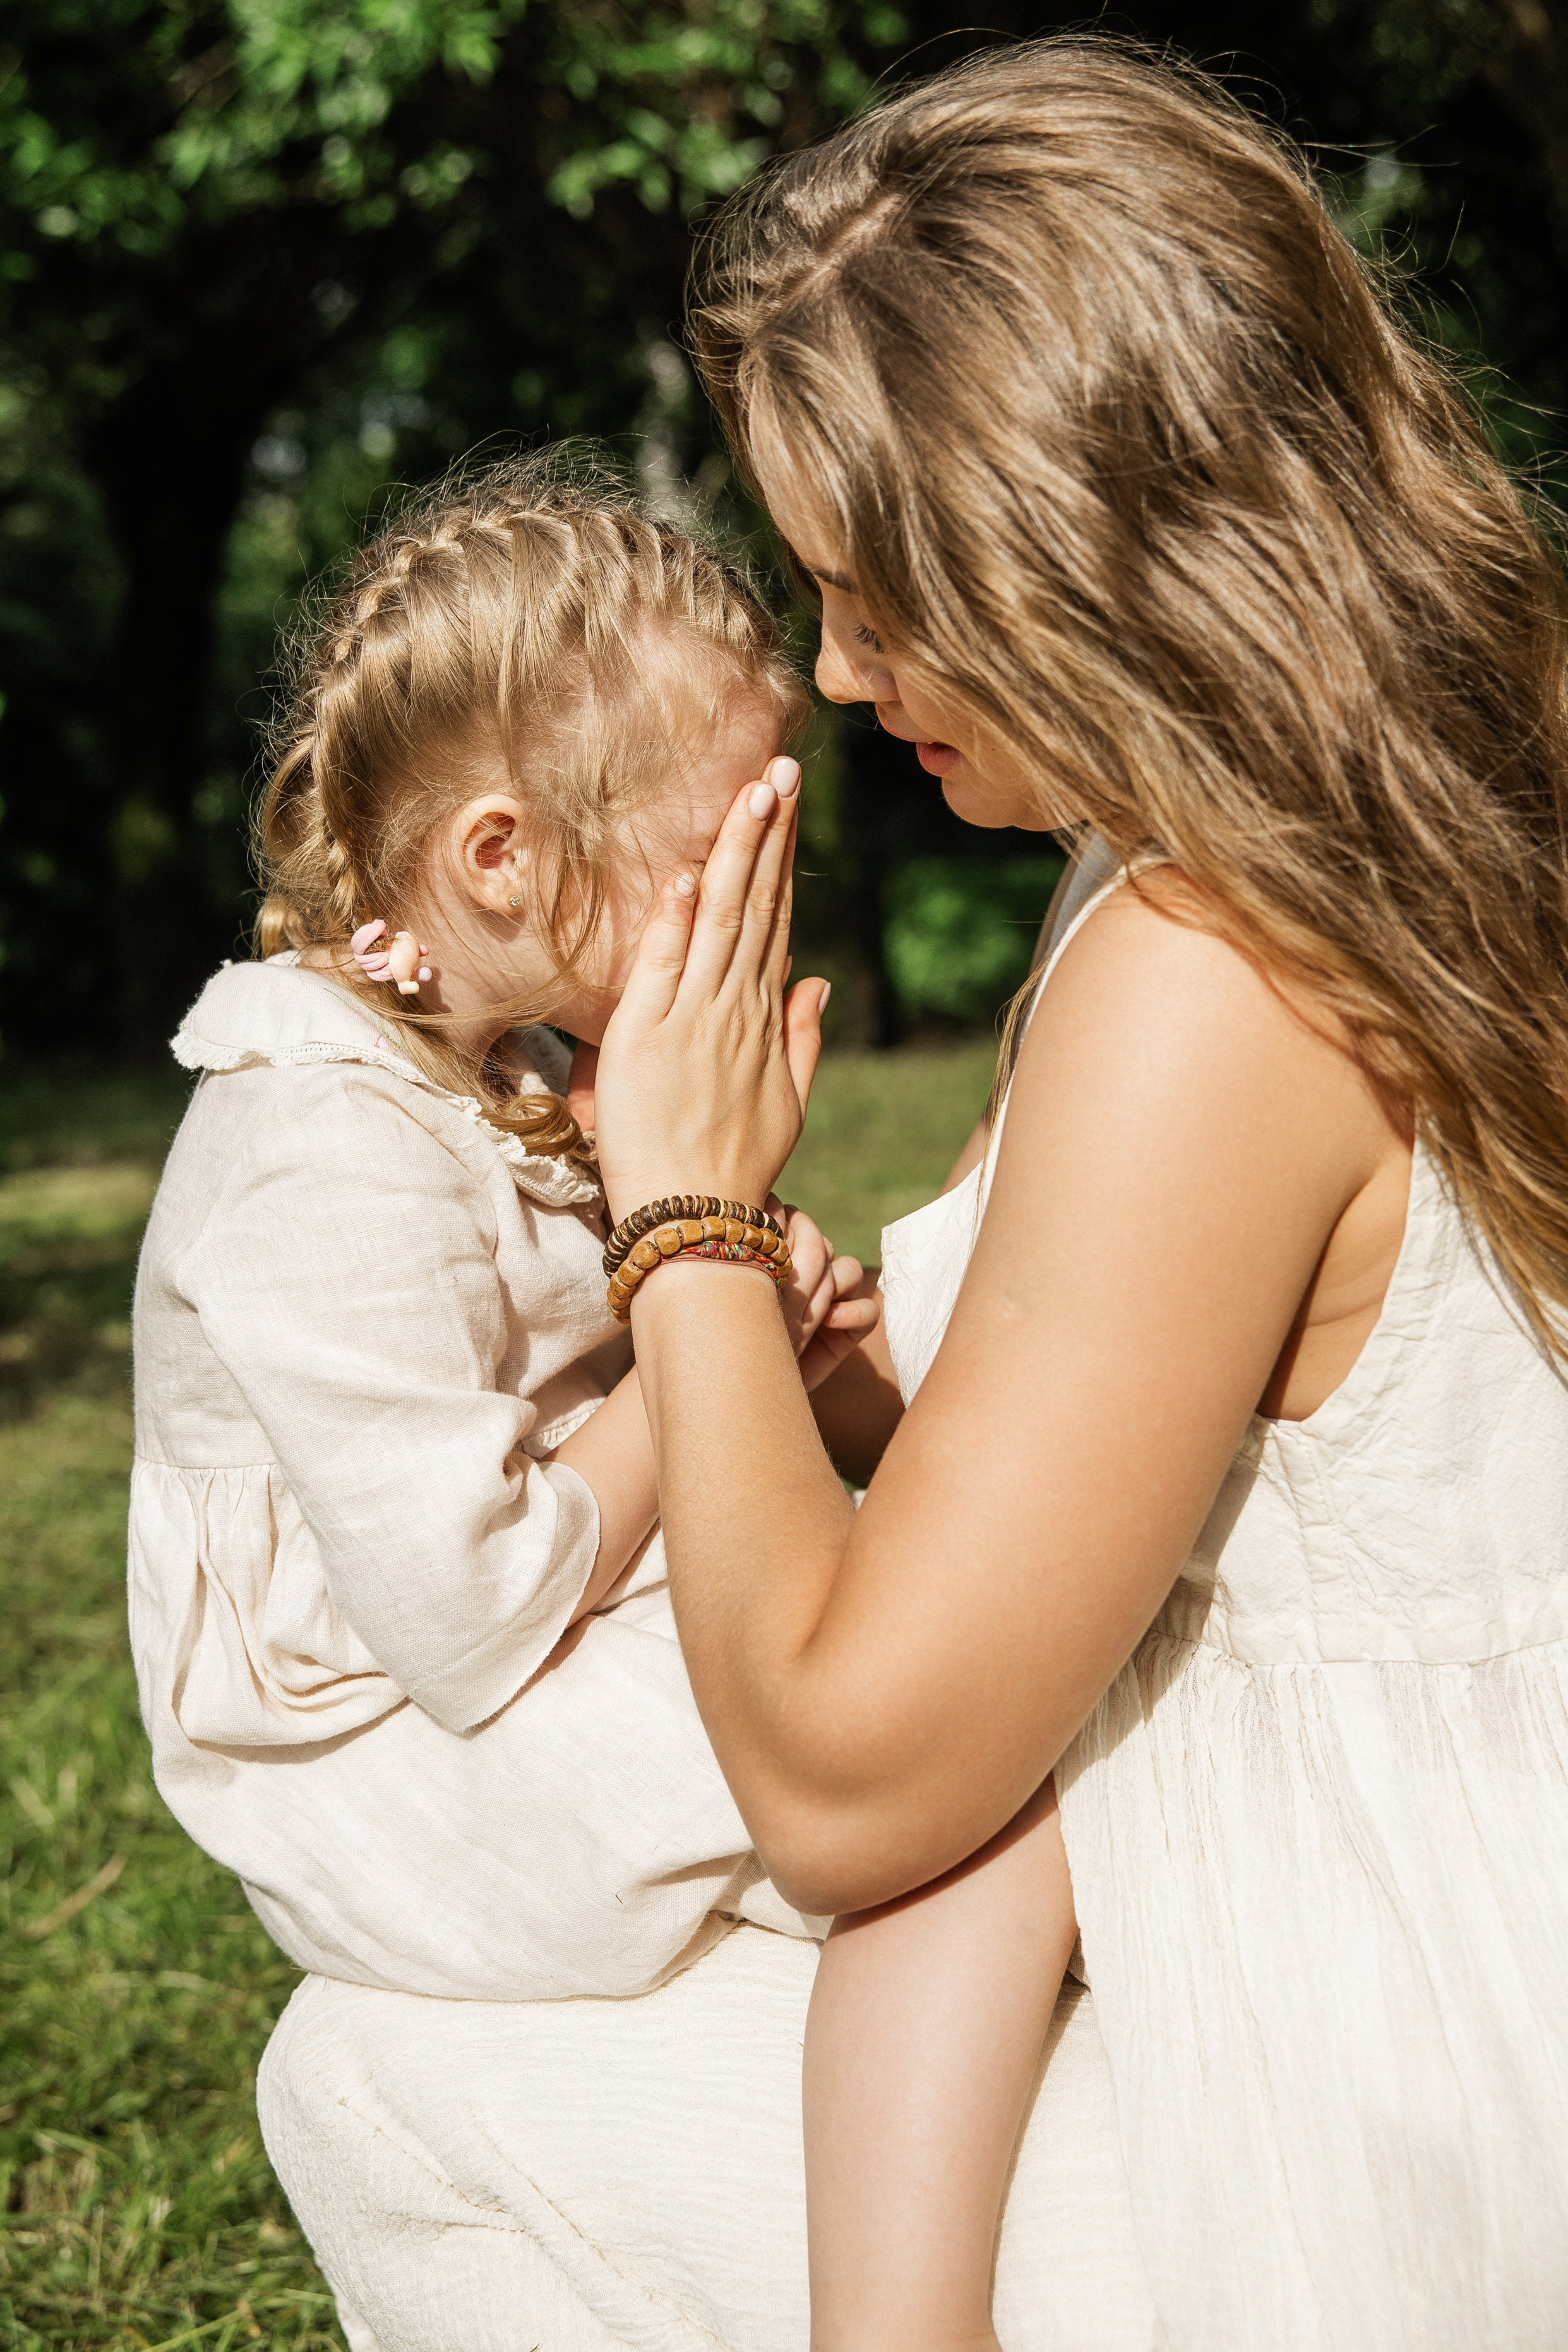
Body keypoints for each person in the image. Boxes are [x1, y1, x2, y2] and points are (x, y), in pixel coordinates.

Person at [258, 35, 1568, 2352]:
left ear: (1082, 555)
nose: (841, 675)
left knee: (378, 2075)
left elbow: (853, 1781)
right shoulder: (1412, 801)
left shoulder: (1209, 976)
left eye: (877, 593)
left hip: (1378, 2126)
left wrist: (678, 1220)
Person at [129, 452, 1081, 2346]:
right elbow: (469, 1616)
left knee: (953, 1642)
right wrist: (688, 1280)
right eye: (718, 863)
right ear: (501, 858)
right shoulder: (318, 1144)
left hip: (551, 1638)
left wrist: (760, 1318)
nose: (760, 913)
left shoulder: (499, 1058)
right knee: (951, 1754)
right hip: (404, 1764)